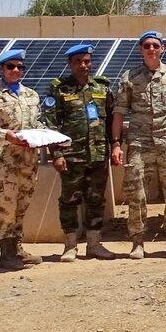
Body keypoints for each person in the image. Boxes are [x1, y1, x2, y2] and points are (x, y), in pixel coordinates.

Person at [111, 31, 166, 259]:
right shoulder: (130, 77)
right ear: (140, 49)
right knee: (136, 192)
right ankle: (138, 242)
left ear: (162, 48)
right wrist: (116, 143)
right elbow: (119, 112)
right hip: (139, 141)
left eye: (156, 45)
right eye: (147, 45)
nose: (151, 49)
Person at [41, 43, 115, 262]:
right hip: (71, 155)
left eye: (87, 61)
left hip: (98, 153)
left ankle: (94, 244)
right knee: (69, 200)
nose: (83, 65)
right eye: (78, 62)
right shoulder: (59, 89)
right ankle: (70, 245)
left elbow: (111, 120)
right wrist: (56, 154)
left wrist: (115, 146)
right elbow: (51, 124)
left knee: (96, 199)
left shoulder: (102, 88)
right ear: (70, 64)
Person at [0, 48, 43, 269]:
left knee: (22, 205)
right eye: (10, 66)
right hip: (4, 161)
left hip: (28, 160)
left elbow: (37, 122)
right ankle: (6, 253)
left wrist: (47, 134)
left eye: (20, 67)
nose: (16, 70)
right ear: (1, 69)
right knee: (6, 207)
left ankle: (18, 248)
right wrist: (6, 135)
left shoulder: (31, 95)